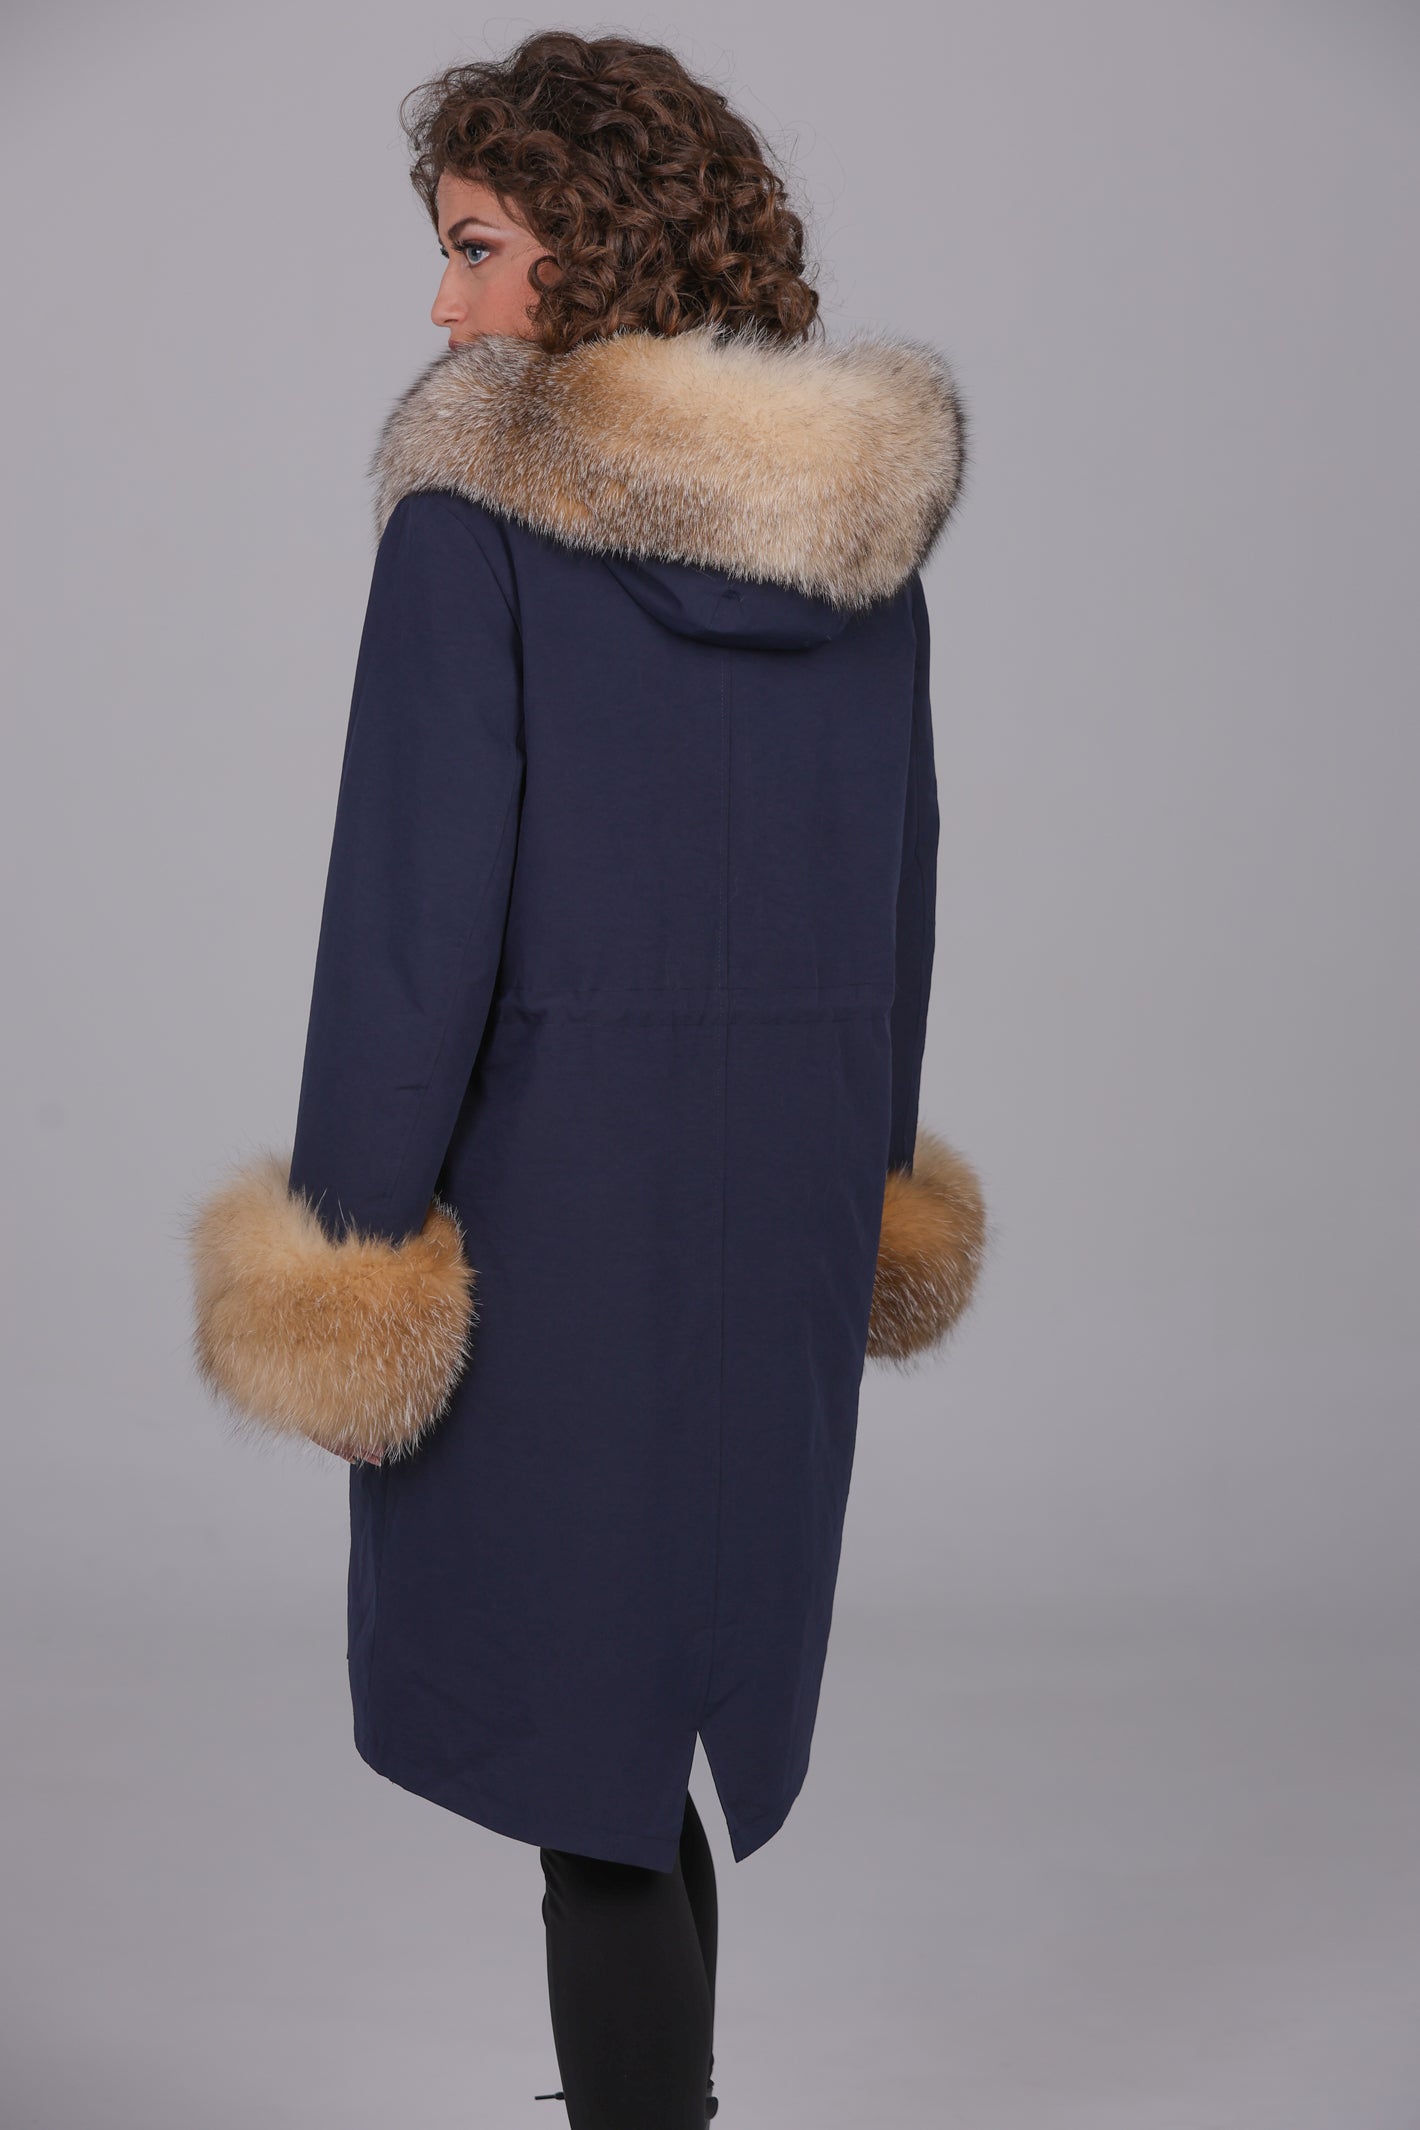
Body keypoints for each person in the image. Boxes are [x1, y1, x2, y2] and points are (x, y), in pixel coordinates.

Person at [186, 29, 988, 2128]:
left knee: (586, 1774)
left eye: (476, 247)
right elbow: (900, 904)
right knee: (654, 1746)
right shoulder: (859, 547)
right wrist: (863, 1177)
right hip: (780, 1217)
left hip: (550, 1227)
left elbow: (406, 932)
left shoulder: (474, 527)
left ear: (595, 242)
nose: (444, 303)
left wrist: (351, 1248)